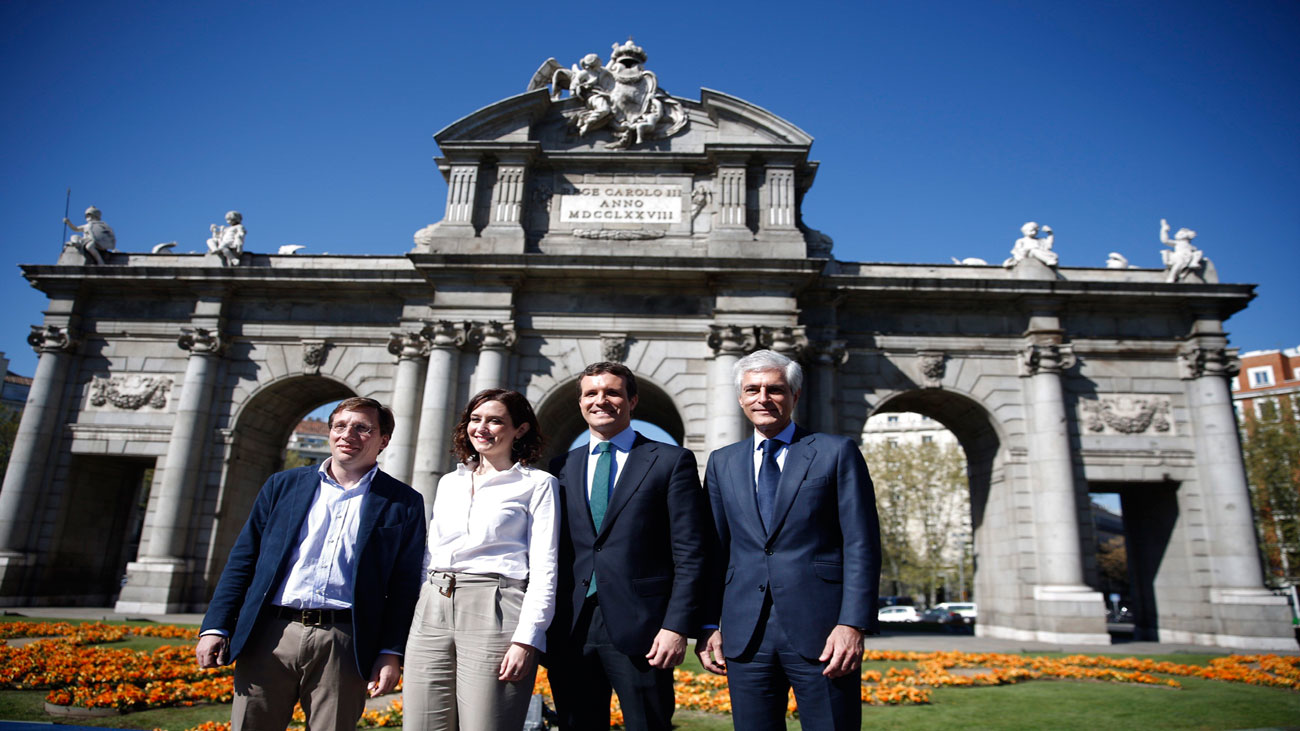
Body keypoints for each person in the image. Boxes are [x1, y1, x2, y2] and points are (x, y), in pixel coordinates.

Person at [195, 397, 427, 731]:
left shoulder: (404, 502)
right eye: (340, 426)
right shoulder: (282, 485)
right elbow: (244, 559)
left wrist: (391, 651)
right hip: (269, 634)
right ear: (330, 432)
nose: (348, 434)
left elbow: (404, 586)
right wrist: (216, 626)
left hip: (345, 640)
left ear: (383, 440)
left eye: (363, 428)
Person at [697, 349, 881, 730]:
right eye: (752, 390)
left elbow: (861, 543)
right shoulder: (721, 462)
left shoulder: (835, 452)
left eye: (774, 389)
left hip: (825, 631)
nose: (762, 398)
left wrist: (853, 624)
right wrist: (707, 625)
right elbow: (714, 551)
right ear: (740, 398)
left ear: (794, 396)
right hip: (746, 634)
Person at [544, 362, 710, 731]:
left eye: (612, 392)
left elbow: (690, 552)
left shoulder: (670, 461)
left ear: (632, 400)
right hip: (571, 627)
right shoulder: (560, 467)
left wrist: (676, 626)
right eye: (591, 393)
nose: (601, 400)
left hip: (645, 629)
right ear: (581, 403)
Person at [403, 389, 559, 731]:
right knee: (421, 724)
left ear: (519, 430)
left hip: (496, 608)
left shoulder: (538, 484)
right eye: (475, 419)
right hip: (433, 605)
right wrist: (420, 603)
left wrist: (527, 638)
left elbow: (545, 566)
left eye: (495, 421)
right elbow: (431, 551)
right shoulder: (449, 482)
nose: (482, 428)